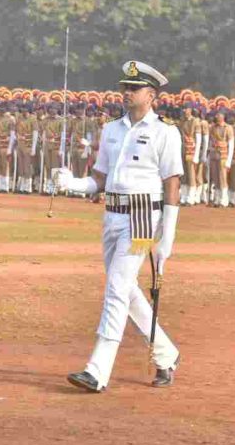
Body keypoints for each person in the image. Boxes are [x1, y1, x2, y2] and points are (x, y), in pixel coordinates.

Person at [56, 60, 182, 393]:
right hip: (112, 215)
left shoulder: (165, 132)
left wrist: (167, 235)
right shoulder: (111, 129)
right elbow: (100, 178)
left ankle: (97, 370)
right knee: (125, 289)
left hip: (143, 217)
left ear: (151, 95)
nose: (126, 93)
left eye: (134, 88)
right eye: (124, 87)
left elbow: (172, 182)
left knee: (116, 287)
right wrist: (72, 184)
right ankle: (166, 353)